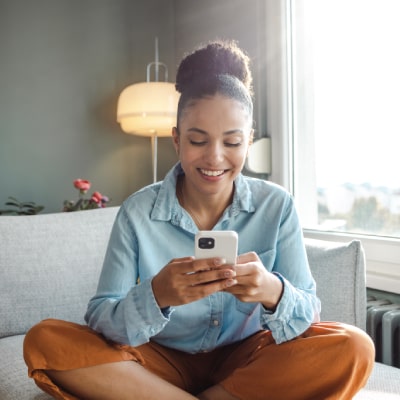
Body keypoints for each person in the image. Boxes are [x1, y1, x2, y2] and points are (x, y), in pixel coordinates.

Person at [24, 40, 374, 400]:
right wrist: (157, 294)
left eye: (232, 142)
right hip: (158, 361)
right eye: (198, 140)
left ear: (248, 141)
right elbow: (102, 317)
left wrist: (272, 290)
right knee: (45, 340)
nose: (215, 158)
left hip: (247, 362)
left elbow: (308, 317)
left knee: (355, 347)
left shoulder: (277, 205)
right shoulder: (137, 212)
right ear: (176, 140)